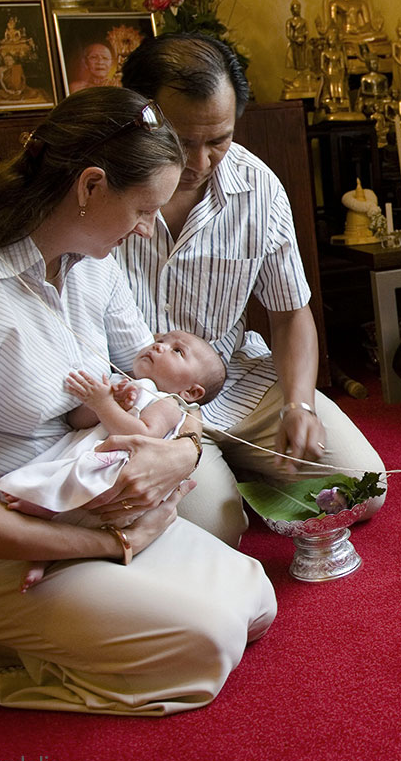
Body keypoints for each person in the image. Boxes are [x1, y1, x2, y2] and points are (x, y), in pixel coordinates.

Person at [0, 87, 275, 714]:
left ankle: (58, 627)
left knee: (256, 604)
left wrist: (184, 451)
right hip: (0, 549)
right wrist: (113, 545)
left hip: (89, 509)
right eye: (142, 208)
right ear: (90, 187)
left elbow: (168, 387)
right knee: (207, 642)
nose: (146, 228)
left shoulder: (91, 264)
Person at [118, 33, 386, 544]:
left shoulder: (257, 186)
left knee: (359, 488)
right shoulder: (104, 190)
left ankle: (232, 464)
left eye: (217, 139)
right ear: (140, 114)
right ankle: (219, 478)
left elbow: (291, 313)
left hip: (233, 379)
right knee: (212, 528)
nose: (198, 162)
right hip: (141, 405)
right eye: (180, 139)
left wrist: (299, 404)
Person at [0, 329, 226, 590]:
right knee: (61, 476)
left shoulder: (168, 403)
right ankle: (40, 553)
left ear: (191, 392)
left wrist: (105, 405)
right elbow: (76, 422)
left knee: (80, 485)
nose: (158, 347)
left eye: (177, 351)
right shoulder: (124, 382)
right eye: (160, 341)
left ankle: (46, 517)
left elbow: (141, 435)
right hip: (86, 450)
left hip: (117, 466)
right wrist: (101, 404)